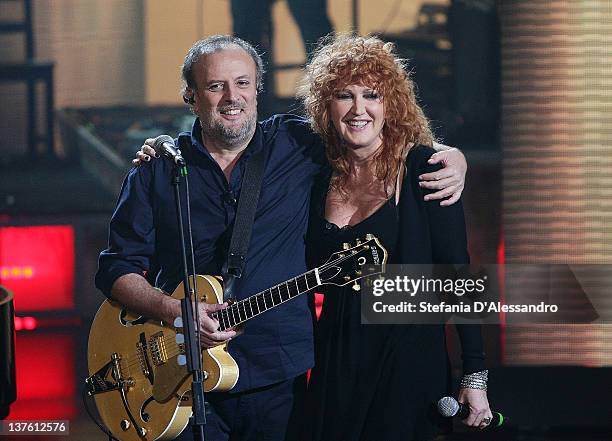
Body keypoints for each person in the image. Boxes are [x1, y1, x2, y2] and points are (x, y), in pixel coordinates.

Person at [117, 35, 466, 440]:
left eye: (243, 83)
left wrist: (447, 154)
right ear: (191, 97)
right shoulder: (157, 170)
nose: (233, 97)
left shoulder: (297, 144)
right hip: (179, 379)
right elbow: (115, 269)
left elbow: (368, 132)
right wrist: (174, 310)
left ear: (258, 90)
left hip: (277, 380)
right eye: (216, 86)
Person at [296, 34, 491, 441]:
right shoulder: (315, 175)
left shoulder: (425, 169)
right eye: (344, 96)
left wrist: (474, 375)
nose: (358, 109)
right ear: (325, 106)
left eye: (372, 95)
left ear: (392, 104)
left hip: (407, 361)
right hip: (335, 359)